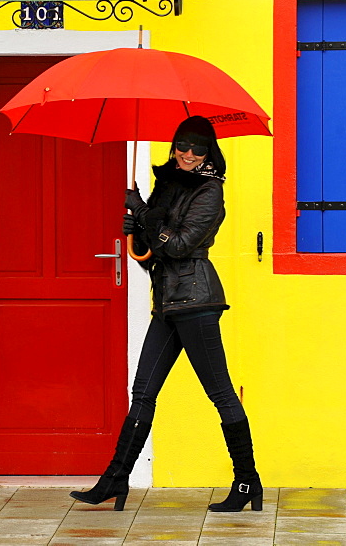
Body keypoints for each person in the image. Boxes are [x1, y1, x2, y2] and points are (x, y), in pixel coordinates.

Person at [69, 115, 262, 513]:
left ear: (209, 153)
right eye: (182, 146)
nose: (188, 154)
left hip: (196, 301)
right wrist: (136, 228)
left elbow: (180, 246)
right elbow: (151, 255)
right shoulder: (167, 186)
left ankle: (247, 482)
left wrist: (144, 216)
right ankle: (115, 479)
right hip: (168, 302)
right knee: (143, 392)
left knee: (220, 393)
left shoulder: (210, 192)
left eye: (198, 149)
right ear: (173, 146)